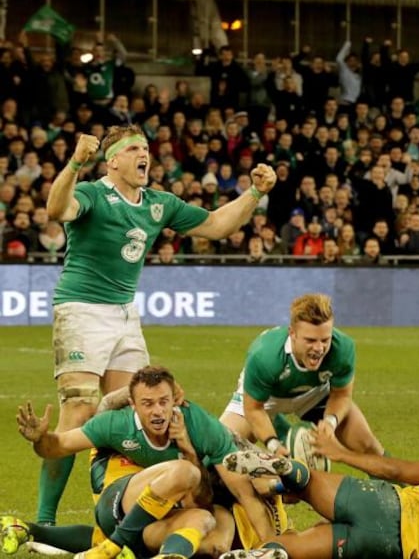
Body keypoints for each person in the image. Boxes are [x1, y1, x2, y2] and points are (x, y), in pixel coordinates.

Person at [39, 126, 277, 527]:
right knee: (79, 415)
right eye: (132, 149)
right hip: (81, 309)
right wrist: (76, 163)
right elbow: (55, 210)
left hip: (125, 314)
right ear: (112, 161)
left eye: (146, 148)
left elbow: (217, 226)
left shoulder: (158, 203)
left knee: (138, 410)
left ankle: (122, 510)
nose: (143, 154)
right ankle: (44, 521)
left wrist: (255, 193)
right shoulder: (94, 194)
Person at [14, 366, 272, 559]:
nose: (157, 411)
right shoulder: (116, 424)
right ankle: (113, 545)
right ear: (133, 405)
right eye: (147, 404)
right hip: (116, 503)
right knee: (185, 471)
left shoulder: (199, 425)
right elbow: (58, 447)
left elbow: (241, 493)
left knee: (212, 527)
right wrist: (40, 439)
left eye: (163, 402)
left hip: (159, 517)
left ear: (175, 400)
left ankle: (159, 554)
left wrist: (274, 546)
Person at [220, 422, 419, 559]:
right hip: (386, 549)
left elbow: (397, 470)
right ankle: (265, 554)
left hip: (387, 506)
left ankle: (284, 468)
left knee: (309, 482)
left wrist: (341, 454)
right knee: (295, 545)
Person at [219, 293, 384, 463]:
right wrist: (273, 444)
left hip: (314, 393)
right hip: (266, 397)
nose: (319, 348)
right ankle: (280, 429)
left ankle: (404, 489)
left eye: (325, 340)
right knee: (221, 453)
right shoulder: (264, 356)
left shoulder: (342, 348)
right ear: (293, 334)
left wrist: (329, 423)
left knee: (368, 445)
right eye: (310, 340)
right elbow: (254, 408)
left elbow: (341, 395)